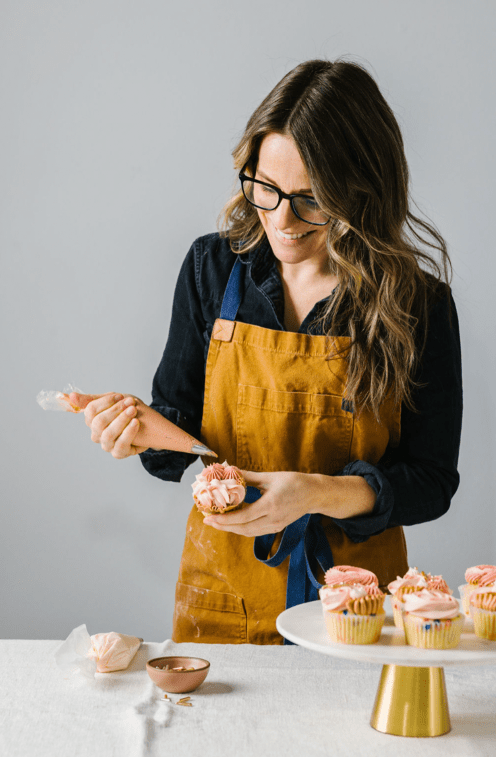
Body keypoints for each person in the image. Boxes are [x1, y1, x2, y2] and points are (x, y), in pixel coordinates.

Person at [72, 59, 462, 645]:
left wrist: (314, 494)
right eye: (266, 189)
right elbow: (172, 441)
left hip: (355, 607)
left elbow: (431, 482)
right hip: (225, 593)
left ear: (363, 192)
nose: (283, 220)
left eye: (312, 199)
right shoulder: (212, 270)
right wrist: (139, 429)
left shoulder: (417, 303)